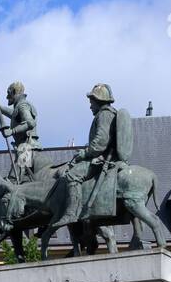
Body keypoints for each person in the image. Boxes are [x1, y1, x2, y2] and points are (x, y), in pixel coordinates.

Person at [51, 83, 124, 228]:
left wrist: (84, 153)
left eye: (92, 102)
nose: (90, 106)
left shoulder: (104, 115)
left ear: (99, 101)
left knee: (72, 175)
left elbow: (100, 142)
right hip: (102, 156)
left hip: (101, 159)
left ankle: (71, 214)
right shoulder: (109, 113)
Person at [0, 81, 40, 182]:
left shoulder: (22, 105)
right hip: (26, 146)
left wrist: (11, 131)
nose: (7, 97)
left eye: (9, 93)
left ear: (14, 92)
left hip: (26, 147)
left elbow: (30, 123)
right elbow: (14, 114)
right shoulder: (21, 105)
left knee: (12, 181)